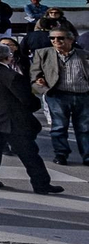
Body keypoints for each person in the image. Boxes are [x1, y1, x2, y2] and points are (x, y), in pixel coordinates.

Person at [0, 45, 62, 194]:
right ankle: (41, 183)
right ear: (8, 58)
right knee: (29, 153)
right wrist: (35, 105)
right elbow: (27, 100)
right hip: (12, 120)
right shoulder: (11, 75)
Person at [30, 28, 89, 166]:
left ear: (71, 39)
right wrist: (44, 89)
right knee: (59, 127)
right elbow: (34, 76)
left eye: (60, 38)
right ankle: (61, 154)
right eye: (52, 38)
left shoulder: (83, 54)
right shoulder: (43, 53)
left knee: (84, 128)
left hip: (83, 96)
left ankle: (87, 156)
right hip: (58, 96)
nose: (56, 41)